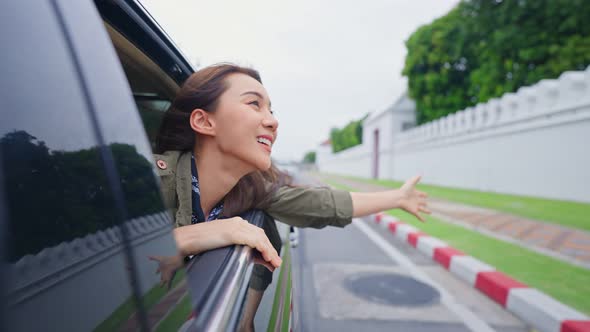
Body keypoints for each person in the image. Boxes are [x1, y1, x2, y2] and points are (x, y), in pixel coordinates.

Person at [149, 63, 430, 330]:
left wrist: (397, 198)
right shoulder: (147, 180)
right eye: (253, 104)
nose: (272, 121)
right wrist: (187, 238)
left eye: (271, 109)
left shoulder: (250, 190)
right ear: (204, 121)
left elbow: (321, 205)